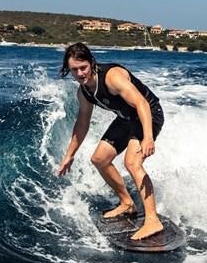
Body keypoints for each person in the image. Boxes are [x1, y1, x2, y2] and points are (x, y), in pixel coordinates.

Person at [55, 42, 166, 241]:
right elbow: (82, 124)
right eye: (74, 70)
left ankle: (152, 220)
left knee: (132, 162)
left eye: (83, 67)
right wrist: (69, 155)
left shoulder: (112, 77)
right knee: (99, 159)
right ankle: (127, 203)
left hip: (148, 114)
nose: (80, 73)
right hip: (125, 118)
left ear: (91, 63)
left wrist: (148, 137)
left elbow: (141, 103)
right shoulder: (84, 92)